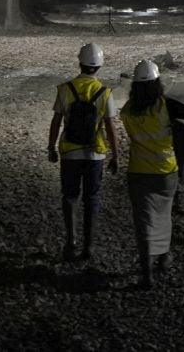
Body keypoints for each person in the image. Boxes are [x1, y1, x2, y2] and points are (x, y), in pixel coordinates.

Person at [120, 59, 184, 288]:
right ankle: (164, 259)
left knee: (144, 222)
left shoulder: (127, 111)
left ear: (135, 86)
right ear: (158, 84)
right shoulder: (166, 106)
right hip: (167, 172)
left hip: (139, 172)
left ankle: (147, 274)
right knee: (164, 217)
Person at [47, 42, 120, 262]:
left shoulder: (64, 89)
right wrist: (115, 155)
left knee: (69, 197)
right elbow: (110, 128)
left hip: (69, 152)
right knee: (92, 199)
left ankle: (71, 242)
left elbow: (56, 121)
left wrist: (51, 147)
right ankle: (89, 246)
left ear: (79, 62)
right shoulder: (104, 93)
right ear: (99, 66)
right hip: (94, 154)